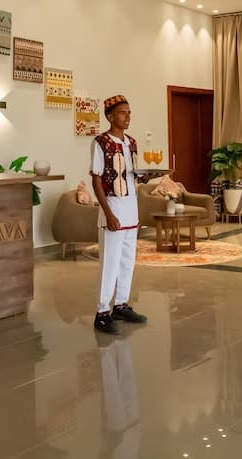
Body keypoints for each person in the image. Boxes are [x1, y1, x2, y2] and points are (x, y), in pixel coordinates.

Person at [91, 95, 147, 334]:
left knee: (127, 261)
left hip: (131, 210)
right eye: (123, 112)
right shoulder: (100, 142)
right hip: (113, 209)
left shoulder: (132, 143)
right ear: (110, 116)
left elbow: (132, 176)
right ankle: (102, 312)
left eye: (129, 112)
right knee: (109, 264)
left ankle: (121, 305)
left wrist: (147, 177)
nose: (128, 116)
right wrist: (108, 213)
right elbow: (96, 180)